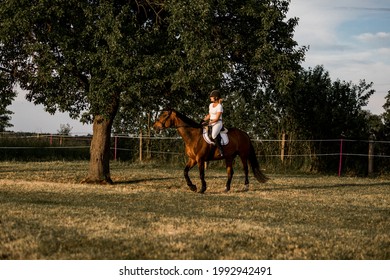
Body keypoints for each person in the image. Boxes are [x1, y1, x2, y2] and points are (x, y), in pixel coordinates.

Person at [202, 90, 224, 156]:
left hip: (218, 123)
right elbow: (209, 115)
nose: (210, 98)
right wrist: (203, 120)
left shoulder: (220, 106)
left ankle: (221, 150)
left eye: (211, 97)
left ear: (216, 97)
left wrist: (209, 123)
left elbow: (217, 118)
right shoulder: (211, 105)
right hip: (211, 122)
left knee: (213, 135)